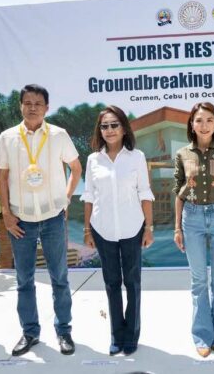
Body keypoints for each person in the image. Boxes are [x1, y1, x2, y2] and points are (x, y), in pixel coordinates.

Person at [0, 84, 82, 356]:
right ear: (20, 105)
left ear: (46, 107)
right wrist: (7, 214)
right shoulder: (8, 137)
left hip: (53, 219)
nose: (32, 107)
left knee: (59, 277)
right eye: (27, 102)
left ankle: (64, 331)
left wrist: (66, 199)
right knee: (24, 280)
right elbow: (2, 179)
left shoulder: (58, 135)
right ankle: (30, 333)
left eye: (38, 103)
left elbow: (76, 168)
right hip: (21, 221)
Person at [81, 106, 155, 356]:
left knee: (132, 282)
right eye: (105, 126)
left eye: (114, 125)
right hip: (103, 229)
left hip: (133, 227)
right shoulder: (93, 160)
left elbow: (145, 193)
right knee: (112, 283)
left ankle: (132, 335)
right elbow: (89, 196)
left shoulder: (137, 157)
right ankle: (116, 334)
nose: (110, 130)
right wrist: (88, 230)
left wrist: (149, 227)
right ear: (99, 131)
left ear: (124, 128)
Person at [173, 102, 214, 357]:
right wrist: (177, 227)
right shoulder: (182, 154)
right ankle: (202, 335)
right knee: (199, 281)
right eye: (199, 120)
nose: (204, 125)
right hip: (192, 218)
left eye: (209, 120)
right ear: (191, 124)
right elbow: (177, 192)